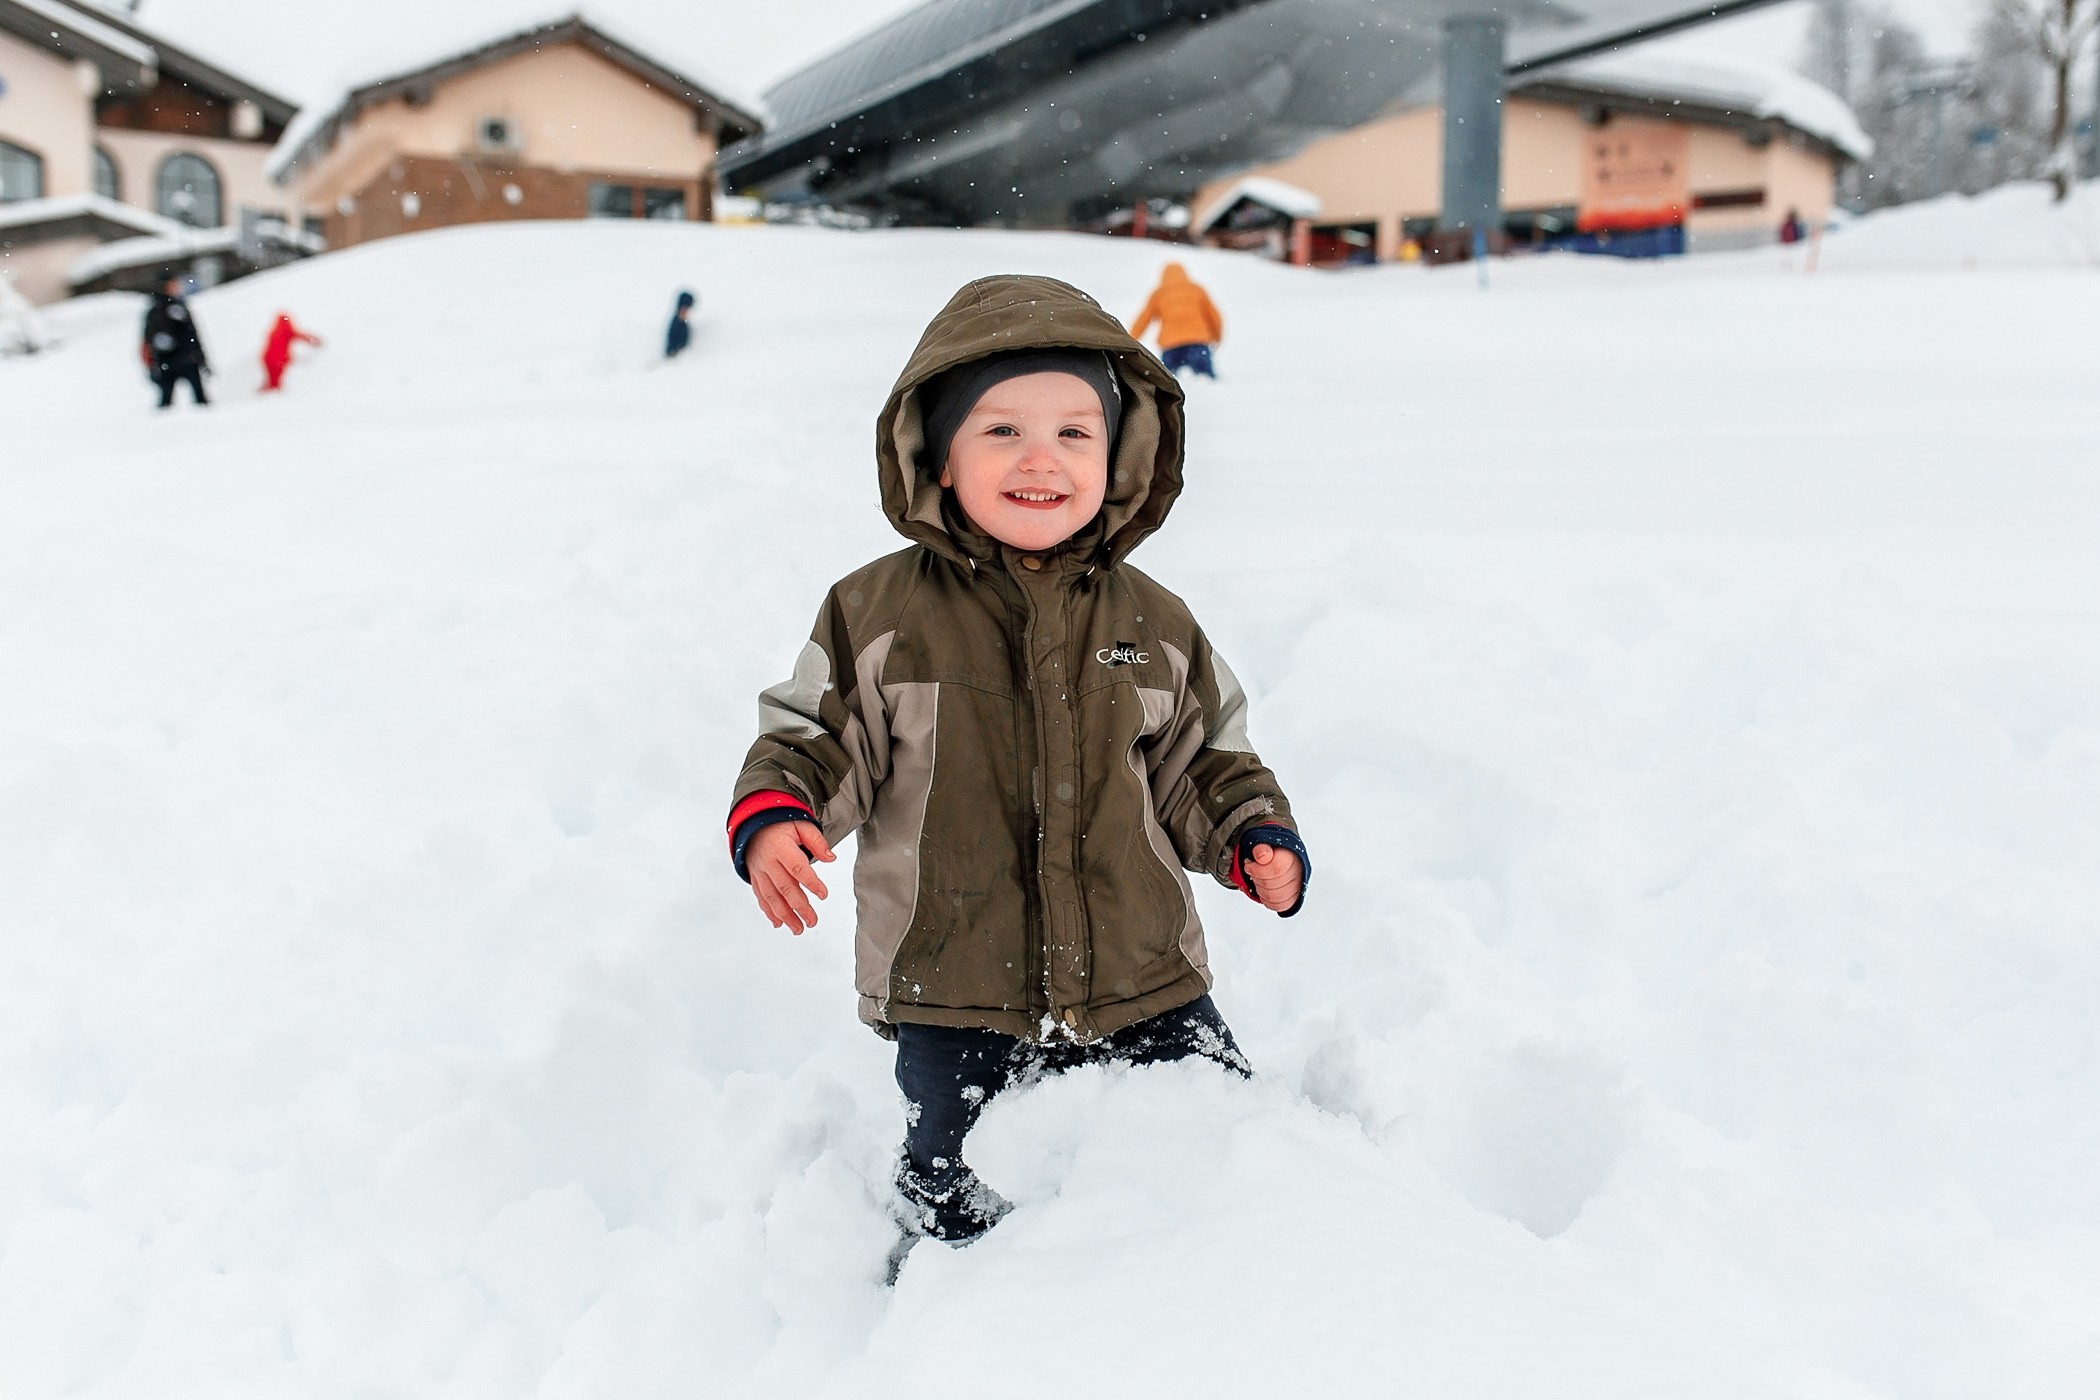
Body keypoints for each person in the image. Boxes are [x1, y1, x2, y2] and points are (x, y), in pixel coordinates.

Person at [727, 274, 1309, 1263]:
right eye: (1001, 431)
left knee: (1226, 1147)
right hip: (953, 981)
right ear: (938, 457)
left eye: (1075, 434)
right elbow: (820, 733)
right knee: (952, 1190)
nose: (1041, 458)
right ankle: (953, 1323)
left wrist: (1253, 829)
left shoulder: (1154, 621)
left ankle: (1219, 1311)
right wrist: (782, 808)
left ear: (1120, 459)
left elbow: (1204, 755)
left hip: (1142, 971)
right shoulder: (880, 613)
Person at [1129, 261, 1223, 379]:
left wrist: (1131, 340)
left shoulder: (1159, 294)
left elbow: (1143, 319)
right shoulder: (1197, 290)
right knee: (1207, 380)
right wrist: (1217, 337)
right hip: (1197, 344)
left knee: (1168, 383)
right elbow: (1214, 316)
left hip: (1171, 346)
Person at [141, 273, 210, 408]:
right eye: (174, 283)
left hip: (173, 360)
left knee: (171, 401)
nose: (178, 286)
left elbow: (192, 335)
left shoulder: (166, 308)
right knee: (171, 401)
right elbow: (191, 335)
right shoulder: (162, 310)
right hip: (176, 360)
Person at [260, 313, 323, 391]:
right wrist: (316, 339)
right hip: (279, 359)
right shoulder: (287, 330)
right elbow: (303, 336)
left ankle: (266, 392)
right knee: (275, 382)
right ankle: (272, 395)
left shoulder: (274, 331)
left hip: (268, 359)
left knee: (271, 379)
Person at [664, 289, 696, 358]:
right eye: (684, 309)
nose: (686, 312)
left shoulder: (684, 324)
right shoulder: (675, 325)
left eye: (687, 309)